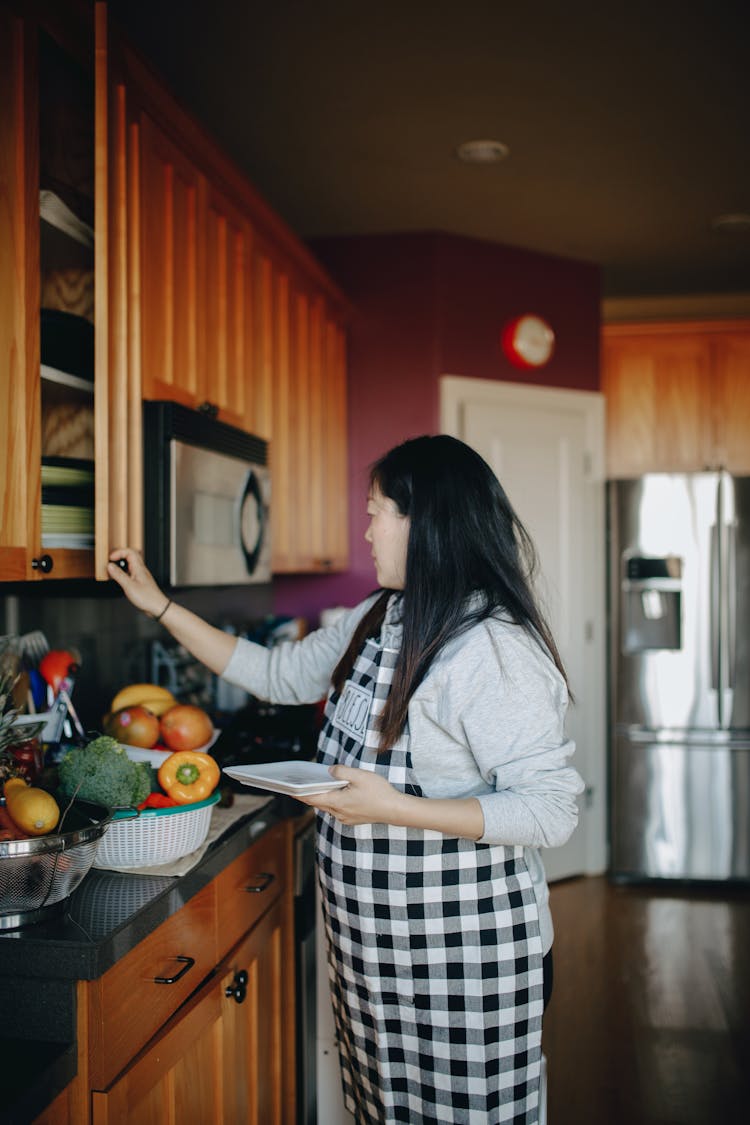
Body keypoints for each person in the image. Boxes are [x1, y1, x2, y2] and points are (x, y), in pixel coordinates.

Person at [108, 434, 584, 1125]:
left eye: (376, 513)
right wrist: (158, 604)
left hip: (464, 959)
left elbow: (550, 811)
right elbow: (278, 674)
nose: (365, 530)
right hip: (375, 952)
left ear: (425, 523)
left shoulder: (489, 646)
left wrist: (395, 807)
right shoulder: (381, 614)